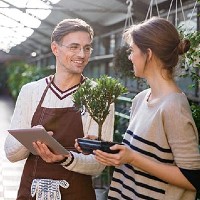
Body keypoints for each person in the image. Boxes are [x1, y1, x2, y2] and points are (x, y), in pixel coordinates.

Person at [4, 18, 114, 200]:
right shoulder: (31, 91)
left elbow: (99, 164)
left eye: (87, 48)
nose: (82, 54)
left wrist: (65, 158)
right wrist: (31, 137)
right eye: (74, 47)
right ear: (55, 49)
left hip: (77, 193)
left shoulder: (98, 95)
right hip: (32, 193)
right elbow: (10, 154)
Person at [92, 17, 200, 200]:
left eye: (132, 50)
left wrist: (132, 158)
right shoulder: (141, 99)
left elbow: (193, 178)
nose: (129, 56)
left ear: (148, 54)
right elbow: (141, 153)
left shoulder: (174, 106)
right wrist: (108, 148)